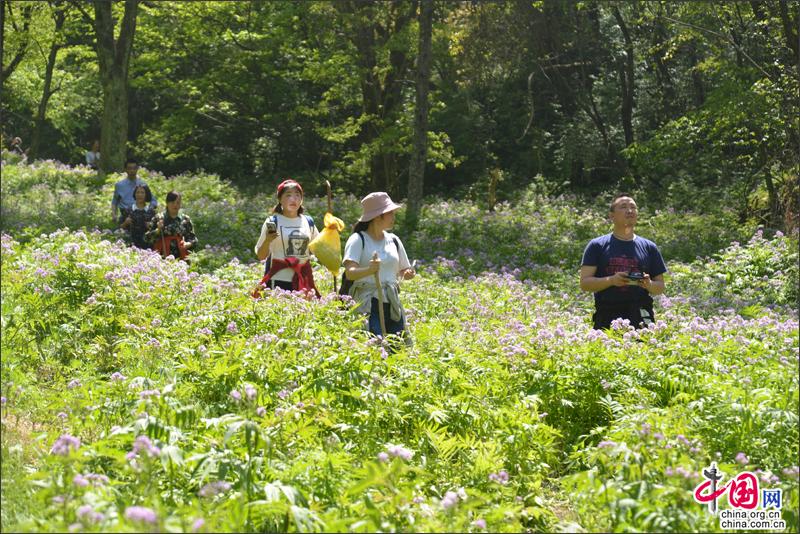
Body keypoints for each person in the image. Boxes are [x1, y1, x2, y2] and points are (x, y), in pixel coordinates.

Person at [579, 194, 667, 330]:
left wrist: (648, 284)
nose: (630, 210)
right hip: (607, 315)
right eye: (623, 207)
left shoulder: (650, 247)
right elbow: (585, 284)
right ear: (611, 216)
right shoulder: (597, 245)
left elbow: (660, 286)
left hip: (642, 315)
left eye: (633, 207)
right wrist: (611, 280)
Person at [342, 192, 416, 339]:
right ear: (377, 216)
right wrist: (370, 270)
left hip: (392, 300)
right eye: (390, 213)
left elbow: (403, 270)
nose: (394, 217)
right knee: (373, 344)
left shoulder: (394, 240)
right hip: (367, 302)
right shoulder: (358, 239)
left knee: (398, 346)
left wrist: (407, 273)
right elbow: (350, 273)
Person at [254, 179, 320, 296]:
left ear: (301, 199)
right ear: (280, 199)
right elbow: (261, 255)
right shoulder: (273, 221)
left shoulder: (308, 222)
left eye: (297, 195)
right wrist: (268, 240)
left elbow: (320, 250)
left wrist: (331, 231)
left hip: (303, 280)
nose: (293, 199)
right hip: (278, 280)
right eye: (288, 195)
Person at [145, 191, 197, 260]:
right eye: (172, 202)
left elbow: (193, 239)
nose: (175, 205)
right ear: (167, 203)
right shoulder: (159, 218)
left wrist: (188, 244)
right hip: (162, 256)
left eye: (178, 203)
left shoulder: (185, 219)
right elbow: (146, 238)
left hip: (181, 256)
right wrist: (158, 230)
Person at [111, 158, 157, 224]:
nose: (132, 170)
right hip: (125, 215)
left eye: (134, 168)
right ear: (125, 169)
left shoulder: (142, 184)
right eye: (129, 168)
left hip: (140, 214)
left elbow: (153, 200)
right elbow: (115, 201)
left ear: (137, 169)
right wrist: (114, 214)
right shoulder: (119, 185)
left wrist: (149, 210)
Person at [119, 184, 155, 249]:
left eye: (142, 193)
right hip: (130, 245)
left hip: (147, 246)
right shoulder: (128, 210)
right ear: (134, 194)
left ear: (146, 195)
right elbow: (120, 227)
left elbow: (156, 231)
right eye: (137, 192)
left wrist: (150, 226)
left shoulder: (151, 212)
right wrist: (125, 223)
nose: (139, 195)